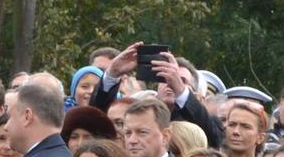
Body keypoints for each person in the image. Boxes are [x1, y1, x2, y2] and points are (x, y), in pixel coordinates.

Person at [92, 43, 224, 147]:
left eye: (181, 79)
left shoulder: (205, 120)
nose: (170, 83)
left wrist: (180, 90)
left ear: (194, 93)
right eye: (164, 78)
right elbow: (96, 119)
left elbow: (212, 137)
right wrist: (112, 74)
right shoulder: (137, 112)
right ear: (156, 87)